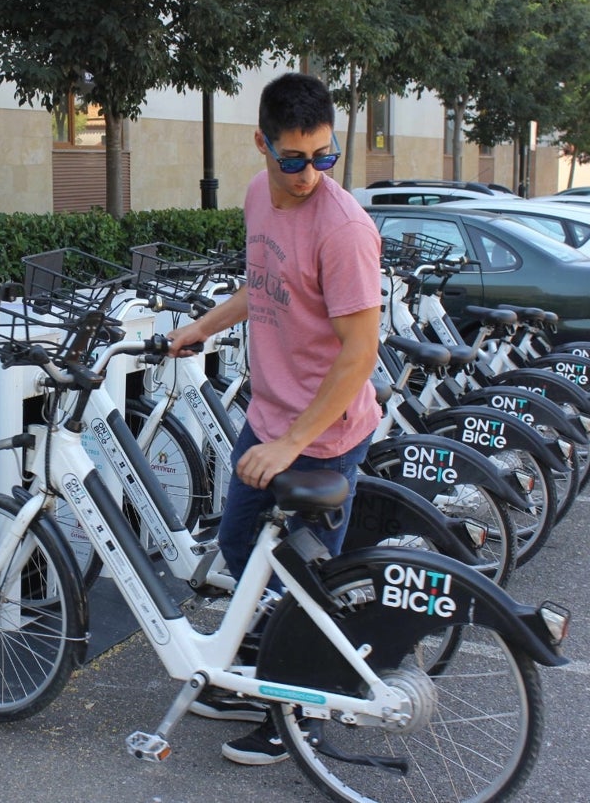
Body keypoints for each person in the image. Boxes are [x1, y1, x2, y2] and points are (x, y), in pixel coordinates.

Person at [166, 72, 383, 766]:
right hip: (271, 416)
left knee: (304, 583)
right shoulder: (261, 194)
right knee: (239, 550)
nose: (310, 175)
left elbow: (360, 352)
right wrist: (200, 326)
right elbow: (261, 283)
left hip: (324, 436)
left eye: (325, 156)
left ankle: (300, 716)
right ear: (261, 145)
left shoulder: (344, 228)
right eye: (293, 159)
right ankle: (253, 670)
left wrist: (295, 442)